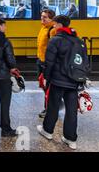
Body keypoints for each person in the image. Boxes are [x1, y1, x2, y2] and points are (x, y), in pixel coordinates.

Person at [37, 15, 86, 150]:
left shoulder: (55, 40)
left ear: (59, 25)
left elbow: (49, 62)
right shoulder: (78, 40)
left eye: (55, 24)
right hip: (74, 80)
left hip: (58, 80)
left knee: (53, 106)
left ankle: (47, 131)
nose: (53, 26)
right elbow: (84, 62)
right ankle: (71, 139)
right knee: (71, 110)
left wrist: (46, 77)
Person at [36, 9, 57, 118]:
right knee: (44, 86)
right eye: (42, 16)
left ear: (51, 19)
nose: (42, 18)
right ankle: (51, 107)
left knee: (48, 87)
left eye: (45, 17)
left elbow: (54, 48)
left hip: (47, 63)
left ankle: (49, 109)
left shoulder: (52, 30)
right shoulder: (43, 28)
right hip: (41, 61)